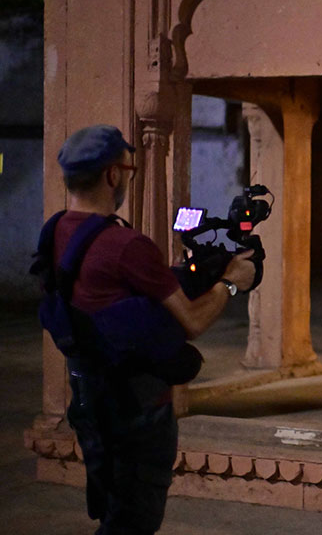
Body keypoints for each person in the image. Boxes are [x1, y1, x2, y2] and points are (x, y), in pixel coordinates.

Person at [41, 124, 256, 534]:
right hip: (134, 405)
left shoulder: (55, 230)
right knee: (135, 520)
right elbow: (192, 321)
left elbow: (105, 290)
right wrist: (231, 282)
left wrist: (169, 277)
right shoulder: (127, 245)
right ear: (113, 175)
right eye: (129, 169)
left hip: (87, 393)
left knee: (113, 506)